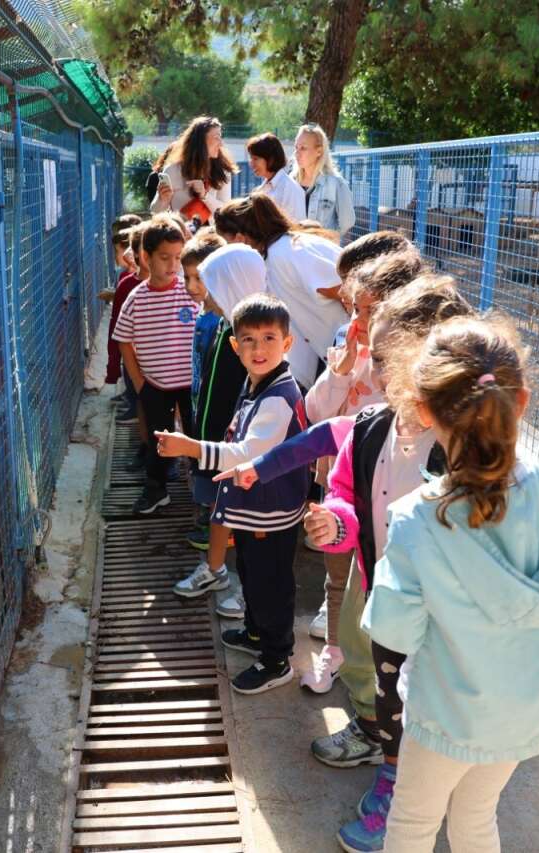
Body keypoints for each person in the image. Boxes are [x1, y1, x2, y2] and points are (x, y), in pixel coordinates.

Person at [333, 315, 539, 853]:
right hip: (525, 710)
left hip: (445, 715)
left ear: (425, 409)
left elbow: (393, 627)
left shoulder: (417, 518)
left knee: (411, 824)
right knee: (478, 814)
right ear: (521, 401)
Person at [216, 277, 473, 765]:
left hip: (435, 594)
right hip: (373, 569)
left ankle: (402, 763)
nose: (371, 371)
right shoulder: (377, 423)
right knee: (363, 655)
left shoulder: (462, 446)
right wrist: (334, 521)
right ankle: (375, 731)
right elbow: (327, 454)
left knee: (416, 677)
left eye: (381, 360)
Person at [155, 294, 309, 694]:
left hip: (270, 512)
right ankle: (257, 634)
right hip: (255, 508)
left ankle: (277, 659)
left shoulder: (278, 397)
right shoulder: (259, 383)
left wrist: (190, 447)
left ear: (287, 344)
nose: (259, 349)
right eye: (250, 340)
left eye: (270, 338)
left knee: (270, 584)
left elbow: (247, 454)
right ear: (234, 345)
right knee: (254, 576)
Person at [298, 248, 424, 691]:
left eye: (370, 311)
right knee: (340, 579)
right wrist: (343, 370)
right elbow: (315, 411)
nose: (359, 320)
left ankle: (374, 681)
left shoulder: (409, 372)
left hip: (384, 501)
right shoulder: (346, 347)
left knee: (372, 585)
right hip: (341, 487)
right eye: (355, 308)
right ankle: (335, 652)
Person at [172, 243, 264, 599]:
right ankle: (215, 570)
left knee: (247, 520)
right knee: (220, 511)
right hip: (214, 444)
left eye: (214, 285)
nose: (206, 293)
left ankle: (250, 590)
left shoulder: (250, 339)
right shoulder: (226, 326)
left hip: (236, 448)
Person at [213, 195, 349, 389]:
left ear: (240, 238)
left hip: (351, 349)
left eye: (227, 241)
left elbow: (341, 288)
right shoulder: (275, 252)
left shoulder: (286, 251)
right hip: (333, 351)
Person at [113, 216, 197, 515]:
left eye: (178, 257)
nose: (172, 265)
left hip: (191, 385)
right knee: (159, 440)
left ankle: (201, 491)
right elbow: (123, 339)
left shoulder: (189, 291)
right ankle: (156, 488)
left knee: (195, 435)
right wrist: (139, 383)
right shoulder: (137, 297)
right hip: (156, 386)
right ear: (145, 257)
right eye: (165, 258)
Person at [174, 231, 235, 559]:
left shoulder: (223, 321)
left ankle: (221, 529)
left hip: (216, 412)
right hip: (200, 400)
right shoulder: (205, 314)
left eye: (200, 278)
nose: (192, 286)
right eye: (187, 278)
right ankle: (211, 519)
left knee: (214, 469)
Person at [150, 116, 237, 223]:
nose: (221, 143)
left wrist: (205, 195)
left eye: (220, 137)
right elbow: (155, 213)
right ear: (201, 141)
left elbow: (225, 213)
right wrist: (162, 200)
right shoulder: (172, 170)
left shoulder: (223, 172)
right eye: (216, 137)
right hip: (182, 236)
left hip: (211, 237)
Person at [104, 215, 143, 417]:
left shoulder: (129, 281)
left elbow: (118, 323)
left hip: (132, 343)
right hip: (133, 342)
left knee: (132, 372)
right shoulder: (126, 278)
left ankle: (135, 406)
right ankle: (132, 399)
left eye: (117, 251)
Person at [293, 123, 356, 237]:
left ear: (319, 151)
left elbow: (347, 222)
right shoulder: (291, 182)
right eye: (296, 147)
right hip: (294, 251)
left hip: (321, 252)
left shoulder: (337, 183)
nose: (297, 153)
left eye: (303, 148)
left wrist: (326, 239)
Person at [246, 133, 305, 221]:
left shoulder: (291, 189)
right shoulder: (262, 188)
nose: (251, 163)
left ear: (271, 159)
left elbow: (297, 227)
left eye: (255, 158)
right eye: (251, 158)